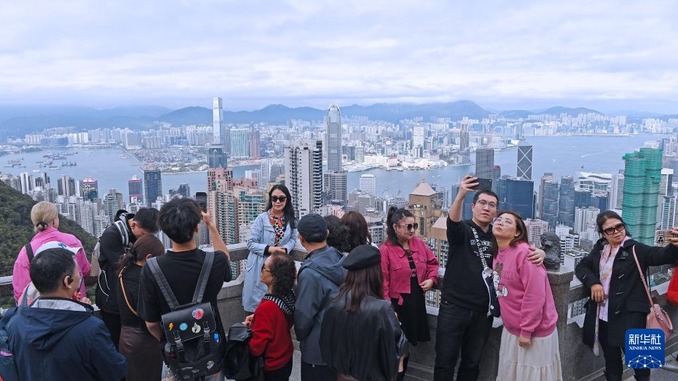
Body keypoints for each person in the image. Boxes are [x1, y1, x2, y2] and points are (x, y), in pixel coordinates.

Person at [434, 175, 545, 381]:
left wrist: (541, 253)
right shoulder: (463, 230)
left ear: (496, 211)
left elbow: (520, 249)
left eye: (492, 205)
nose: (486, 208)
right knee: (444, 362)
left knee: (472, 363)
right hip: (454, 306)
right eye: (482, 203)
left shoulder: (498, 236)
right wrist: (461, 195)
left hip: (483, 311)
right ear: (473, 206)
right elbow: (453, 221)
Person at [575, 210, 678, 381]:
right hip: (604, 318)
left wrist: (675, 246)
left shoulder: (636, 249)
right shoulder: (600, 249)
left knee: (641, 367)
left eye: (619, 226)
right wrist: (593, 282)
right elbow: (582, 267)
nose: (616, 232)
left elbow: (661, 255)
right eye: (610, 229)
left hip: (633, 319)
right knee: (612, 363)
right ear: (603, 233)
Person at [137, 197, 232, 380]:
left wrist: (168, 338)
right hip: (211, 353)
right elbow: (224, 258)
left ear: (164, 231)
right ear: (197, 227)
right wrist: (211, 225)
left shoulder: (151, 269)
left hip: (176, 357)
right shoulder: (215, 262)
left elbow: (150, 323)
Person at [8, 247, 127, 381]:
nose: (80, 275)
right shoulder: (91, 329)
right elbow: (114, 371)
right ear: (67, 281)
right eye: (78, 271)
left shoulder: (15, 324)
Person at [492, 211, 562, 381]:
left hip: (534, 331)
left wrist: (526, 330)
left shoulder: (526, 254)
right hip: (511, 328)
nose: (500, 222)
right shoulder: (498, 253)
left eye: (507, 222)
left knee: (532, 375)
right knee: (512, 373)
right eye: (499, 219)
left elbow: (535, 295)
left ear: (517, 232)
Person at [320, 245, 407, 381]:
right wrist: (396, 324)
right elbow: (395, 357)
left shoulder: (333, 299)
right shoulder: (382, 309)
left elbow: (325, 344)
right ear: (375, 273)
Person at [380, 206, 439, 381]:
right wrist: (389, 309)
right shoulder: (386, 250)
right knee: (396, 347)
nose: (413, 230)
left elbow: (433, 264)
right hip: (397, 303)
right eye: (408, 227)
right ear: (395, 227)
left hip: (416, 301)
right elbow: (383, 281)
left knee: (406, 346)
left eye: (414, 226)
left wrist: (432, 279)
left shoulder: (419, 244)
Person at [96, 207, 159, 348]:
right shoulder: (112, 235)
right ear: (134, 225)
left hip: (132, 298)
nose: (143, 239)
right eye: (142, 235)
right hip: (111, 301)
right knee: (115, 344)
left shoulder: (136, 233)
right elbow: (121, 266)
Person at [294, 213, 345, 381]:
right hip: (340, 341)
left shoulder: (310, 273)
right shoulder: (339, 258)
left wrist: (301, 336)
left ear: (301, 238)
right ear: (327, 234)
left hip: (317, 349)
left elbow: (303, 316)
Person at [13, 201, 91, 303]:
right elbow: (85, 271)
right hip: (77, 305)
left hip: (44, 313)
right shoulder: (73, 241)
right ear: (55, 220)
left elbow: (20, 292)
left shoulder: (27, 252)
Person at [117, 234, 166, 381]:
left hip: (125, 338)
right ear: (149, 258)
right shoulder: (145, 280)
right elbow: (150, 318)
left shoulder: (123, 271)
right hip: (145, 342)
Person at [243, 184, 298, 313]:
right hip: (259, 265)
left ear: (287, 200)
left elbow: (293, 239)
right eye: (274, 198)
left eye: (281, 198)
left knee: (277, 304)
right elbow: (250, 243)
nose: (278, 202)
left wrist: (286, 249)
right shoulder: (261, 219)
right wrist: (270, 249)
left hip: (279, 266)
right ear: (271, 200)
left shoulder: (290, 220)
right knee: (256, 305)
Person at [244, 253, 297, 381]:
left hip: (271, 365)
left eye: (264, 267)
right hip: (285, 356)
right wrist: (257, 319)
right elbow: (278, 323)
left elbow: (257, 348)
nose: (261, 270)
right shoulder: (289, 295)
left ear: (274, 276)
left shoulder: (267, 307)